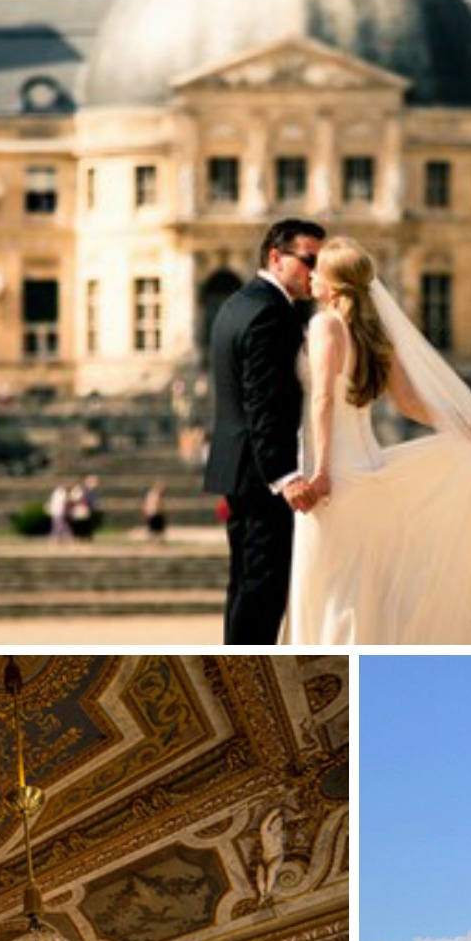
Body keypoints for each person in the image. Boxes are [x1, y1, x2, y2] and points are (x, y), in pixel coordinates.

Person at [285, 237, 471, 644]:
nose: (310, 275)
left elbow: (324, 398)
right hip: (372, 466)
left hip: (338, 473)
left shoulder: (325, 324)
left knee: (332, 589)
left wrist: (322, 470)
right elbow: (412, 402)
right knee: (366, 589)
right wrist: (467, 426)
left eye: (318, 270)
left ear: (335, 283)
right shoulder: (373, 333)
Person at [204, 220, 326, 644]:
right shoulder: (273, 313)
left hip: (236, 465)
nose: (316, 271)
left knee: (244, 582)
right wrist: (284, 474)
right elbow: (263, 401)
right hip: (261, 473)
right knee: (263, 587)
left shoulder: (237, 303)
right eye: (309, 260)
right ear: (277, 257)